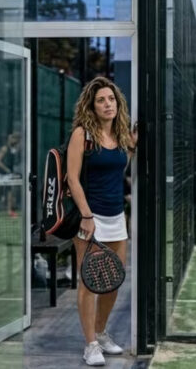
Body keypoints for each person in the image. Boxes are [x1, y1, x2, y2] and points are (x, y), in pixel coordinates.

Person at [67, 76, 137, 366]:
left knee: (113, 280)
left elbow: (117, 169)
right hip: (89, 219)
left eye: (111, 99)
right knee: (89, 282)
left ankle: (101, 331)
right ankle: (90, 345)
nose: (108, 104)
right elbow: (73, 179)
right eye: (101, 100)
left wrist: (131, 148)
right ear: (92, 106)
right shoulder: (81, 135)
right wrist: (86, 215)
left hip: (116, 217)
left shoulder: (120, 135)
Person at [0, 132, 22, 218]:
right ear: (10, 139)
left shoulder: (15, 149)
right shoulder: (4, 148)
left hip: (7, 175)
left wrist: (12, 172)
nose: (15, 140)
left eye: (17, 139)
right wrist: (6, 169)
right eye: (14, 138)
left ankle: (9, 211)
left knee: (10, 192)